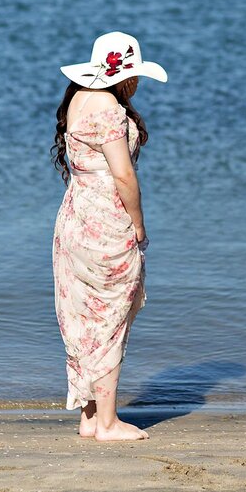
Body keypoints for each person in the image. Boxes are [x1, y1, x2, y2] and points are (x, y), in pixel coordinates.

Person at [51, 31, 167, 441]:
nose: (136, 83)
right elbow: (122, 174)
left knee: (83, 313)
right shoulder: (109, 108)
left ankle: (89, 415)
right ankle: (108, 422)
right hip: (105, 216)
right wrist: (138, 224)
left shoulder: (79, 96)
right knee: (111, 315)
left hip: (74, 213)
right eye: (135, 75)